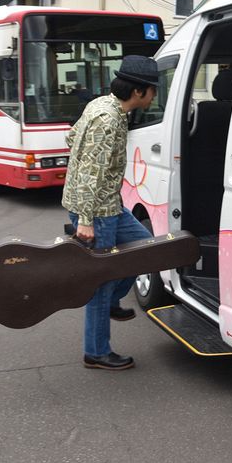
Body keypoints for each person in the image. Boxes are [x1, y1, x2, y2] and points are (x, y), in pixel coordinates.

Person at [62, 55, 158, 371]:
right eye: (153, 90)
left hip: (109, 205)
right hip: (97, 212)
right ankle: (97, 352)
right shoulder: (108, 120)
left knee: (144, 248)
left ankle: (114, 301)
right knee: (100, 281)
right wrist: (85, 220)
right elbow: (91, 171)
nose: (155, 96)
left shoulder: (102, 105)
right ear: (140, 91)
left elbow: (71, 138)